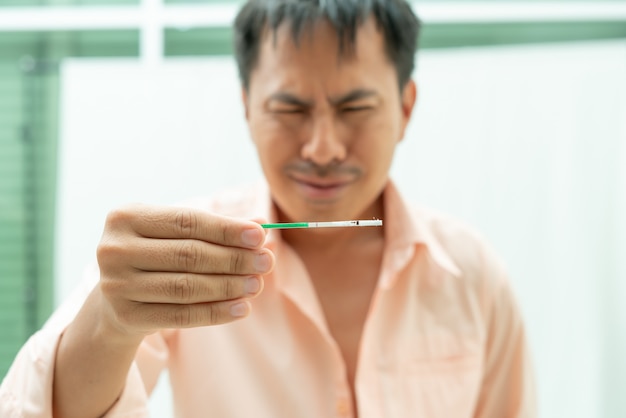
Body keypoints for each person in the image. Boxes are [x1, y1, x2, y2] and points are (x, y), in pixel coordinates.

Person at [0, 0, 536, 417]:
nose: (322, 148)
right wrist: (109, 322)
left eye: (355, 107)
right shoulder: (187, 256)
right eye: (290, 108)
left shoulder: (474, 275)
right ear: (247, 107)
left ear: (405, 106)